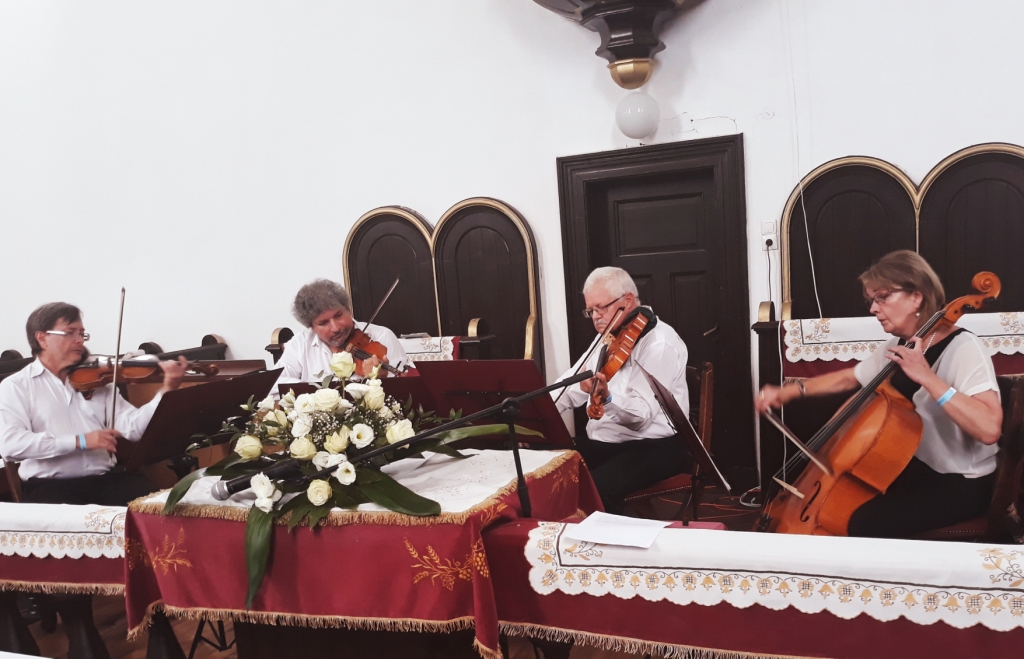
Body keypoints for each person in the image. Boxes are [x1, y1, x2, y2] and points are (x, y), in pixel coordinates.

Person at [756, 250, 1002, 538]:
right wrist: (788, 392)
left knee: (863, 522)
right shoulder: (900, 344)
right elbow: (850, 377)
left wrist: (926, 377)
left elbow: (988, 430)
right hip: (917, 467)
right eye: (871, 300)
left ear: (916, 297)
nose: (873, 308)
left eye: (882, 297)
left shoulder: (963, 348)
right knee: (845, 503)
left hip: (961, 481)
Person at [0, 302, 187, 505]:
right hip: (50, 487)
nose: (79, 340)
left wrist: (167, 390)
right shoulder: (16, 387)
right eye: (70, 333)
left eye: (82, 334)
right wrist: (79, 441)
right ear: (42, 338)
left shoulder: (98, 381)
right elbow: (11, 444)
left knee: (162, 509)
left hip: (107, 481)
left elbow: (135, 428)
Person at [552, 266, 691, 514]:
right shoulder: (607, 335)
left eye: (601, 308)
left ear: (627, 300)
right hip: (605, 443)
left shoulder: (659, 343)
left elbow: (639, 418)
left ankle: (607, 549)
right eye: (590, 310)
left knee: (597, 487)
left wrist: (608, 398)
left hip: (653, 446)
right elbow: (570, 383)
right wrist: (538, 408)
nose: (595, 317)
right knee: (546, 464)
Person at [275, 279, 408, 386]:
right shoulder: (299, 344)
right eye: (323, 323)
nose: (336, 328)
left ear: (348, 310)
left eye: (338, 315)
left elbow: (406, 388)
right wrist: (315, 391)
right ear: (311, 327)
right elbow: (275, 385)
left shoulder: (382, 336)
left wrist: (381, 381)